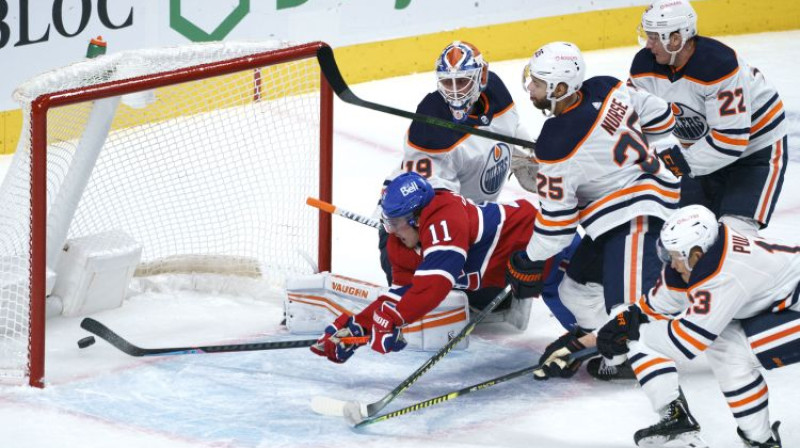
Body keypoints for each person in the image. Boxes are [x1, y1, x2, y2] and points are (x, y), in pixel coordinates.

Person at [505, 41, 683, 381]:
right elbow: (658, 112)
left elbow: (557, 226)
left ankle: (634, 354)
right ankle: (605, 343)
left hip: (638, 217)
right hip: (628, 211)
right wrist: (653, 151)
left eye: (538, 83)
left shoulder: (556, 142)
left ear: (560, 89)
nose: (530, 88)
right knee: (576, 290)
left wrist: (529, 259)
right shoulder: (605, 86)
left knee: (627, 311)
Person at [311, 172, 573, 363]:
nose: (390, 231)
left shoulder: (444, 216)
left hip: (548, 243)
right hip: (527, 274)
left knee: (599, 313)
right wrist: (358, 326)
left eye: (396, 222)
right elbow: (401, 294)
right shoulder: (399, 242)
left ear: (416, 218)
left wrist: (393, 319)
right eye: (387, 223)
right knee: (586, 325)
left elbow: (434, 286)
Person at [596, 204, 795, 447]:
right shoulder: (701, 259)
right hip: (790, 304)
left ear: (696, 254)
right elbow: (649, 310)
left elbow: (687, 342)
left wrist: (633, 332)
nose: (672, 265)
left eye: (675, 257)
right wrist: (590, 337)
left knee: (734, 350)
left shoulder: (726, 273)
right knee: (725, 345)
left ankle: (760, 441)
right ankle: (760, 441)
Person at [378, 40, 539, 286]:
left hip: (468, 215)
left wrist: (522, 156)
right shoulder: (430, 128)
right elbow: (434, 208)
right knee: (429, 293)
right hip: (411, 227)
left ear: (481, 77)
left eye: (462, 81)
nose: (454, 91)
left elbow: (508, 127)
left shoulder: (495, 90)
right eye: (447, 82)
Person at [629, 0, 788, 237]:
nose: (649, 45)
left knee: (735, 237)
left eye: (654, 37)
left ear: (675, 39)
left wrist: (674, 162)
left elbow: (730, 141)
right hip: (701, 149)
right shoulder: (644, 66)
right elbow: (631, 118)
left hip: (755, 152)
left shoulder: (718, 66)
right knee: (682, 233)